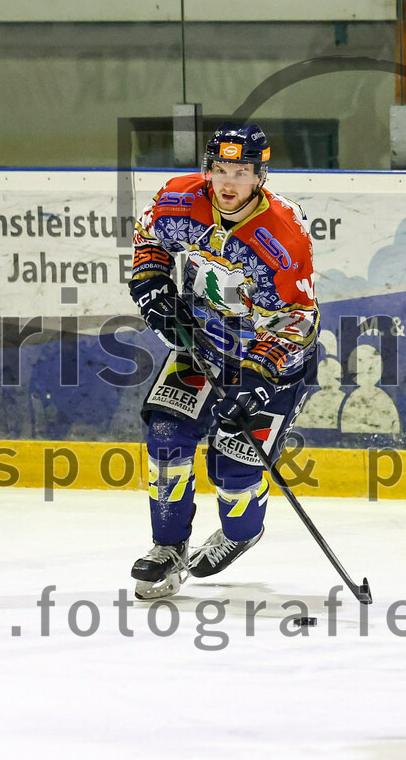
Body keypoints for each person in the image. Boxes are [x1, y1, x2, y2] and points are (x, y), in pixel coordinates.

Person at [127, 122, 319, 600]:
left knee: (233, 469)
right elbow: (149, 236)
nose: (228, 182)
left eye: (241, 171)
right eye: (219, 169)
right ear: (207, 169)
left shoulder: (281, 239)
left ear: (260, 176)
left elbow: (299, 320)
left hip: (268, 365)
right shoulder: (180, 199)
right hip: (202, 345)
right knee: (166, 437)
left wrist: (254, 379)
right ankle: (168, 548)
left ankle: (239, 533)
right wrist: (152, 283)